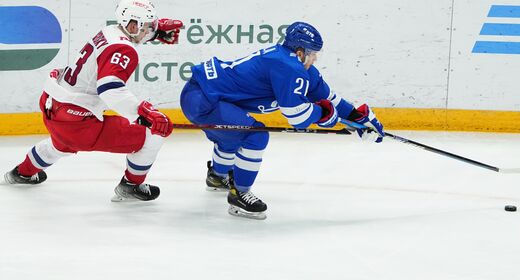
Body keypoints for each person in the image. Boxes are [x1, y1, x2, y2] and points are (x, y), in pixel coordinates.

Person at [180, 21, 385, 219]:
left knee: (233, 136)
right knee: (254, 137)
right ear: (300, 52)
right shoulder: (289, 67)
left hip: (202, 94)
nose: (315, 59)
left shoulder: (297, 67)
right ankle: (239, 194)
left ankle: (217, 176)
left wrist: (356, 116)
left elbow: (330, 99)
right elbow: (297, 115)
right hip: (203, 100)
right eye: (313, 54)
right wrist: (323, 115)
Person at [4, 0, 183, 202]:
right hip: (75, 122)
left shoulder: (109, 31)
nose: (152, 29)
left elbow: (128, 39)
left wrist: (156, 32)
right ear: (133, 25)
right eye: (149, 26)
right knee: (152, 133)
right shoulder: (125, 50)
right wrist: (145, 113)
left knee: (60, 143)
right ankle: (132, 184)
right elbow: (109, 88)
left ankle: (22, 173)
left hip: (53, 106)